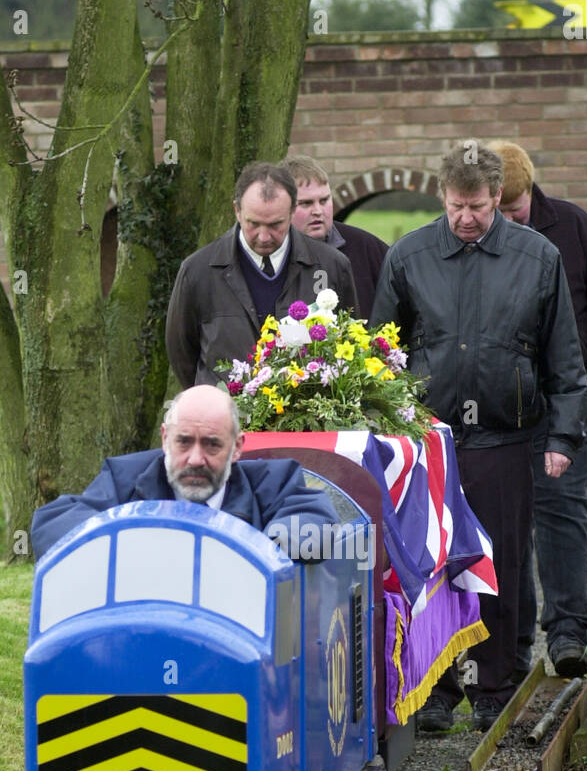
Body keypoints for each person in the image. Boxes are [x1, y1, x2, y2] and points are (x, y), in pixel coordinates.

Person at [370, 141, 587, 732]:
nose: (466, 218)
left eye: (478, 207)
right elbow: (381, 349)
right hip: (430, 440)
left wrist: (562, 440)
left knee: (500, 564)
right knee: (430, 563)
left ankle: (494, 685)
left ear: (498, 198)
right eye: (456, 206)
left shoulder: (538, 257)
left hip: (506, 436)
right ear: (442, 196)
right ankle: (437, 688)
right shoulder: (410, 256)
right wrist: (387, 427)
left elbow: (563, 358)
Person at [489, 140, 587, 680]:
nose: (506, 222)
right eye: (497, 212)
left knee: (560, 509)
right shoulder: (473, 238)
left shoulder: (576, 229)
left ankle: (568, 632)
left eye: (515, 211)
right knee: (506, 518)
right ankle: (512, 644)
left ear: (531, 193)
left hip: (569, 401)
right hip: (503, 405)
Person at [31, 387, 338, 562]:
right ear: (165, 439)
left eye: (212, 445)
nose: (195, 459)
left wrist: (257, 551)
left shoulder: (274, 481)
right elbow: (53, 523)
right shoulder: (123, 478)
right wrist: (124, 543)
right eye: (184, 441)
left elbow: (312, 521)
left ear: (237, 448)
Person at [165, 162, 357, 389]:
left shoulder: (331, 266)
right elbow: (182, 354)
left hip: (305, 418)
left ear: (292, 211)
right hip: (228, 419)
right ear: (237, 210)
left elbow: (349, 341)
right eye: (253, 224)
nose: (264, 237)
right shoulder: (198, 271)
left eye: (276, 224)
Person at [282, 154, 389, 319]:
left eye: (324, 200)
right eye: (306, 203)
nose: (318, 211)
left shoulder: (367, 249)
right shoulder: (269, 255)